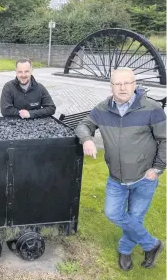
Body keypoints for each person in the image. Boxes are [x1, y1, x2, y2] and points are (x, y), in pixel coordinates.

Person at [75, 67, 166, 271]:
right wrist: (87, 138)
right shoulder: (102, 109)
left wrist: (157, 169)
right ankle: (152, 244)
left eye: (127, 83)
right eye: (118, 83)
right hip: (116, 178)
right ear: (111, 86)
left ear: (134, 85)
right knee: (113, 214)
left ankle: (125, 251)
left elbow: (165, 139)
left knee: (135, 218)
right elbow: (83, 125)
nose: (123, 87)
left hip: (144, 178)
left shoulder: (152, 108)